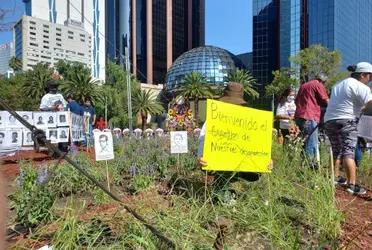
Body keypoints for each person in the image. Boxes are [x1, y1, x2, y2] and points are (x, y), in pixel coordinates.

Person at [198, 82, 273, 201]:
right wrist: (201, 158)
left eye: (236, 105)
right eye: (229, 104)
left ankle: (245, 192)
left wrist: (266, 161)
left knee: (255, 176)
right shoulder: (213, 121)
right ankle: (222, 191)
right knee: (222, 173)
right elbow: (202, 142)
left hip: (245, 166)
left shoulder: (251, 122)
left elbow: (258, 146)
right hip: (220, 165)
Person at [324, 62, 372, 195]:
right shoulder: (360, 86)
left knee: (336, 149)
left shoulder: (338, 85)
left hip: (329, 120)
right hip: (347, 120)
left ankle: (335, 178)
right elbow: (370, 102)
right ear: (363, 75)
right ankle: (352, 185)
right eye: (370, 77)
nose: (370, 81)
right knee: (349, 151)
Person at [294, 74, 329, 168]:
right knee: (311, 141)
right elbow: (326, 101)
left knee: (303, 141)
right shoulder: (318, 84)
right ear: (323, 81)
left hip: (299, 116)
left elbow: (296, 101)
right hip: (310, 116)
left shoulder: (303, 85)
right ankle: (309, 166)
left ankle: (302, 164)